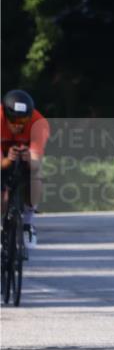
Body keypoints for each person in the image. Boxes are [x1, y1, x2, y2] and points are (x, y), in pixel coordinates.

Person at [1, 89, 50, 247]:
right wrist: (7, 160)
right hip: (3, 157)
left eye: (23, 121)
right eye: (14, 120)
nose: (18, 125)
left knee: (37, 173)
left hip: (25, 157)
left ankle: (28, 224)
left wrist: (29, 160)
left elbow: (36, 162)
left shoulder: (39, 123)